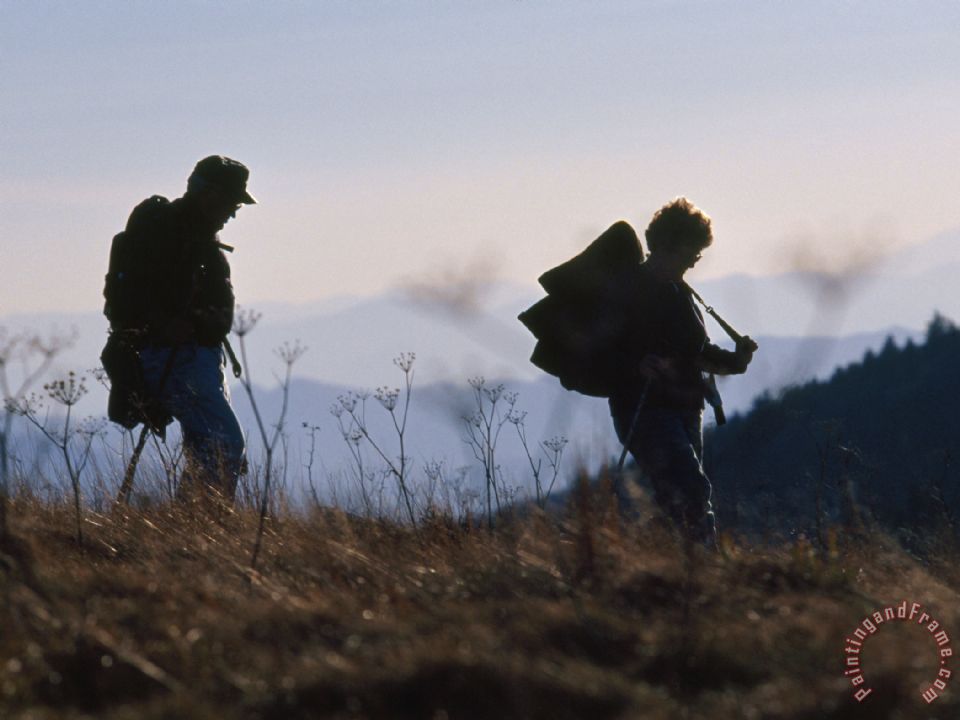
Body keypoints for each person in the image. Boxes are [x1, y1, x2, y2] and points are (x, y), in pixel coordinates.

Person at [104, 155, 255, 501]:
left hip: (190, 357)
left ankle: (197, 526)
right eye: (232, 202)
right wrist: (164, 325)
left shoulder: (183, 238)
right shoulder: (173, 240)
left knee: (211, 446)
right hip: (177, 357)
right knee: (224, 445)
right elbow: (132, 298)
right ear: (211, 195)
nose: (233, 212)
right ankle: (202, 526)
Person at [608, 197, 756, 550]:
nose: (696, 259)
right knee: (690, 490)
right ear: (671, 245)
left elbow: (695, 352)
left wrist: (737, 361)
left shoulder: (678, 290)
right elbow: (600, 347)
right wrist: (635, 366)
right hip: (646, 410)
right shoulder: (634, 291)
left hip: (683, 409)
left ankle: (674, 572)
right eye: (694, 251)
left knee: (679, 496)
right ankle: (702, 570)